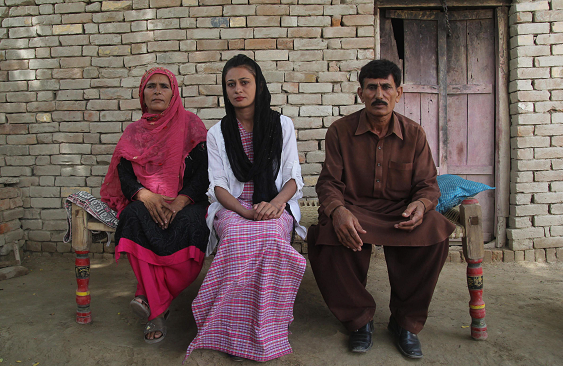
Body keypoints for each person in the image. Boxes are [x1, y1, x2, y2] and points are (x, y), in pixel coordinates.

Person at [307, 59, 455, 359]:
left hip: (399, 212)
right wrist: (338, 211)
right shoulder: (339, 131)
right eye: (371, 88)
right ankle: (359, 319)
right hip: (355, 210)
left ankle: (406, 322)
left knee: (436, 231)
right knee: (325, 234)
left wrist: (420, 204)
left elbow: (428, 185)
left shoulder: (414, 134)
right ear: (360, 93)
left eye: (386, 87)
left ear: (398, 92)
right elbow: (328, 183)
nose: (379, 94)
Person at [185, 54, 306, 362]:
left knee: (270, 236)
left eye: (244, 82)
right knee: (240, 237)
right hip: (234, 208)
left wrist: (276, 205)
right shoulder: (217, 133)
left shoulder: (282, 125)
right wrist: (246, 212)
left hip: (276, 205)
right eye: (230, 84)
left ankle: (266, 325)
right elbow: (218, 186)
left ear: (259, 85)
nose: (237, 89)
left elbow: (293, 178)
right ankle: (232, 328)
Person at [100, 67, 209, 344]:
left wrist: (180, 202)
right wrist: (146, 196)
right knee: (134, 217)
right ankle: (156, 314)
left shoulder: (191, 125)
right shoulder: (134, 132)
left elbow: (204, 175)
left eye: (164, 86)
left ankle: (148, 295)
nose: (157, 91)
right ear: (142, 94)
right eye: (151, 86)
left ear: (174, 93)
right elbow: (125, 176)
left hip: (187, 200)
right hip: (145, 199)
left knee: (192, 225)